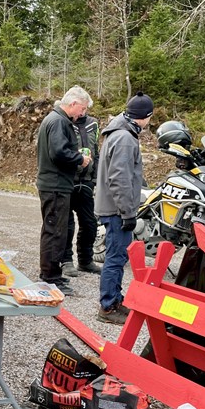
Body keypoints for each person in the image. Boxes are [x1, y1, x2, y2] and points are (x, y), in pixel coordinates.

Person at [95, 92, 154, 324]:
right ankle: (108, 307)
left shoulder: (119, 132)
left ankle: (115, 299)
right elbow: (119, 178)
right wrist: (128, 213)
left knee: (117, 255)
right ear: (145, 116)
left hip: (113, 207)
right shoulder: (126, 138)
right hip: (117, 210)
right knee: (116, 257)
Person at [36, 86, 93, 296]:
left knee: (54, 229)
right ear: (73, 103)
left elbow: (58, 149)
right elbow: (59, 152)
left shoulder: (56, 119)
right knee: (55, 231)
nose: (83, 114)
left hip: (54, 183)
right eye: (83, 109)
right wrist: (80, 158)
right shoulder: (59, 121)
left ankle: (51, 272)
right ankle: (50, 276)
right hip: (55, 185)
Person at [61, 110, 102, 277]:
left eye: (85, 108)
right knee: (67, 224)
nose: (83, 112)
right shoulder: (63, 122)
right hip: (67, 181)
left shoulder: (93, 123)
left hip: (86, 182)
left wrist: (96, 178)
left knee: (90, 223)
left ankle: (85, 261)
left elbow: (96, 151)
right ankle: (66, 261)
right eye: (81, 108)